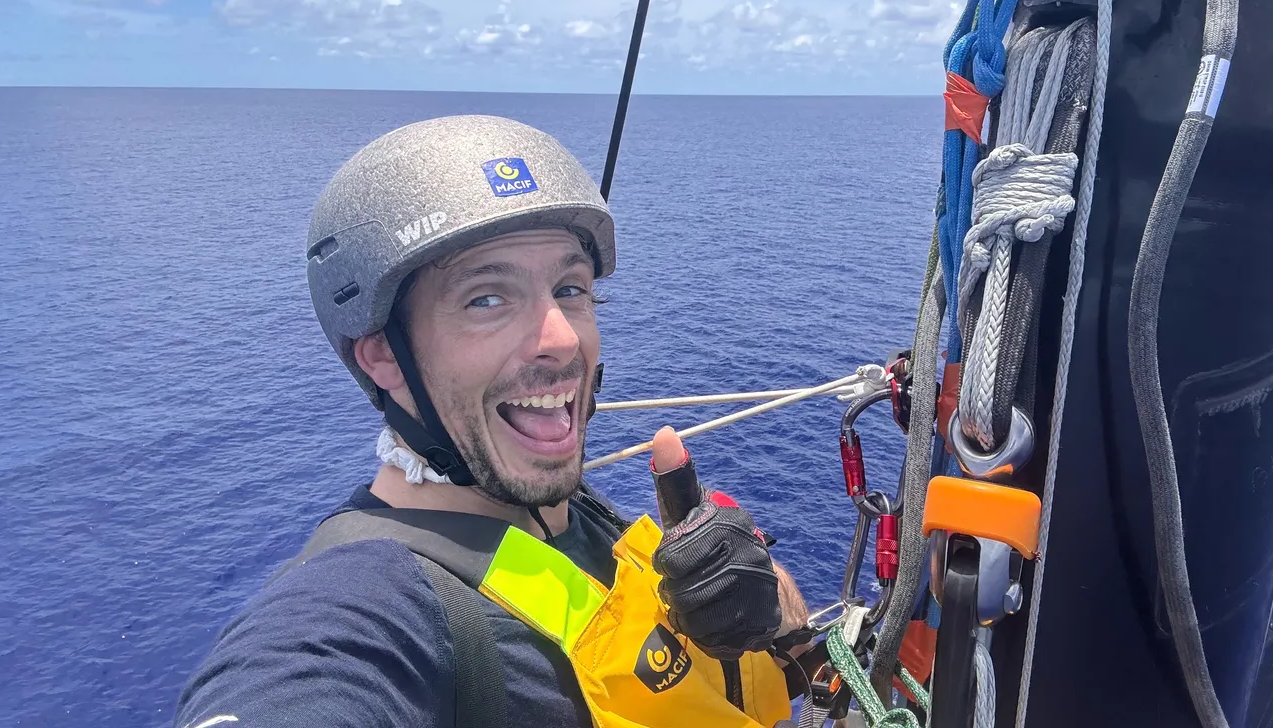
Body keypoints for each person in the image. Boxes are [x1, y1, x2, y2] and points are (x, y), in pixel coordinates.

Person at [175, 115, 812, 728]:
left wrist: (759, 601)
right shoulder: (367, 608)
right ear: (384, 356)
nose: (562, 339)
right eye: (486, 298)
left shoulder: (579, 514)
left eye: (570, 288)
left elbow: (785, 652)